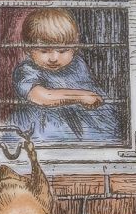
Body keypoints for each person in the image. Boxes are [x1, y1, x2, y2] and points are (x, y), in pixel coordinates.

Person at [11, 8, 119, 143]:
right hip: (48, 128)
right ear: (28, 48)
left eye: (63, 51)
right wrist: (79, 97)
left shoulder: (77, 63)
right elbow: (40, 96)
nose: (54, 58)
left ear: (74, 47)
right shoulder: (27, 69)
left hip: (85, 124)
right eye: (44, 51)